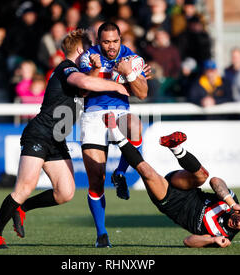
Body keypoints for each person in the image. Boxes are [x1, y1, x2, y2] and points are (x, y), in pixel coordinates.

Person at [0, 29, 130, 249]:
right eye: (89, 49)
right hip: (40, 134)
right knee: (24, 188)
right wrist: (119, 86)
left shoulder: (77, 73)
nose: (92, 53)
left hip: (56, 140)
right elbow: (88, 84)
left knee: (65, 192)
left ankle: (22, 209)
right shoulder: (66, 68)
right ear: (81, 50)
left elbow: (86, 87)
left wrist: (99, 69)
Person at [103, 112, 240, 247]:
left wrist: (212, 239)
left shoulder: (223, 237)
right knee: (203, 175)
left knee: (147, 172)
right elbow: (215, 181)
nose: (239, 223)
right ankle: (174, 146)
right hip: (186, 187)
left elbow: (188, 241)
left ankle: (114, 130)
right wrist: (232, 203)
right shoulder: (231, 203)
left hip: (171, 202)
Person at [79, 21, 148, 247]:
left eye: (115, 41)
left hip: (120, 112)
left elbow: (143, 93)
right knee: (96, 180)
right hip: (93, 115)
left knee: (135, 126)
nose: (111, 46)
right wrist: (95, 71)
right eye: (106, 42)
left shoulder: (133, 59)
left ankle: (120, 174)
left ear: (121, 39)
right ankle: (101, 234)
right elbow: (81, 91)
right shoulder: (88, 58)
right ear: (99, 41)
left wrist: (128, 74)